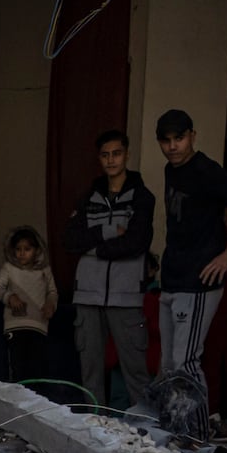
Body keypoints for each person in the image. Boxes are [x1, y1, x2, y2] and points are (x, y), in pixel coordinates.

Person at [154, 110, 227, 435]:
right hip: (172, 277)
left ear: (192, 136)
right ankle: (177, 432)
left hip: (199, 282)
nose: (173, 147)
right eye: (166, 141)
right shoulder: (171, 170)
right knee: (170, 364)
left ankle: (198, 436)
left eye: (179, 138)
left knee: (187, 361)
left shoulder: (205, 170)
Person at [63, 129, 155, 410]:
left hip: (126, 295)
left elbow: (137, 243)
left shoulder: (142, 196)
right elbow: (70, 241)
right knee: (90, 370)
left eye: (116, 153)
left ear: (126, 155)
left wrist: (95, 248)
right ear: (99, 158)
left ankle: (146, 430)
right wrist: (109, 232)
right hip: (88, 295)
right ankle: (94, 426)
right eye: (105, 155)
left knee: (135, 370)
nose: (111, 160)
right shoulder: (89, 196)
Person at [0, 226, 59, 383]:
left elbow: (52, 292)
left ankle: (35, 405)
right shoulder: (9, 268)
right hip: (15, 326)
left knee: (37, 370)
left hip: (39, 326)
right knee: (19, 369)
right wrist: (9, 297)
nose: (22, 253)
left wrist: (51, 304)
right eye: (18, 249)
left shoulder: (44, 270)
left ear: (37, 250)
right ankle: (18, 403)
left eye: (27, 249)